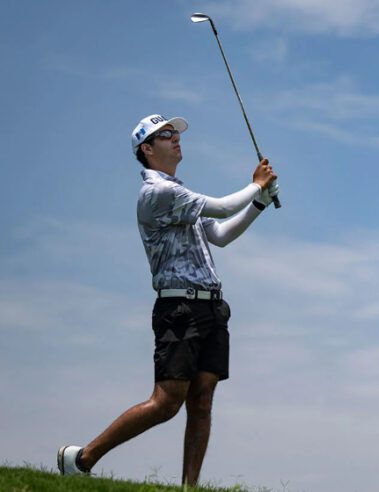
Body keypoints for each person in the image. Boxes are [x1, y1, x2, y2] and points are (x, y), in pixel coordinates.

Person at [57, 114, 279, 487]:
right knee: (167, 402)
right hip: (179, 308)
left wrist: (259, 203)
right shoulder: (157, 193)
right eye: (166, 135)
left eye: (176, 133)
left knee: (202, 401)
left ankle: (189, 487)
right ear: (146, 148)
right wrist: (256, 185)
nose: (176, 138)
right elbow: (223, 207)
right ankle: (82, 458)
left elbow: (221, 234)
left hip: (211, 307)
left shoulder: (180, 192)